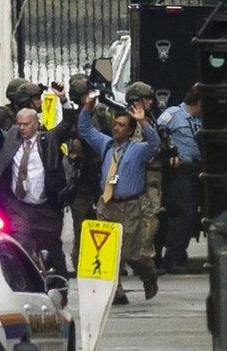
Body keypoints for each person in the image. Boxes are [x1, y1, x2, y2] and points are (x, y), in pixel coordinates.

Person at [78, 95, 160, 305]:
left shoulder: (138, 150)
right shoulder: (106, 145)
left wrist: (143, 121)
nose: (116, 128)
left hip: (129, 205)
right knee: (108, 249)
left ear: (130, 130)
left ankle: (148, 272)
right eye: (115, 124)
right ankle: (117, 291)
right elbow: (85, 130)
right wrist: (87, 108)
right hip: (107, 204)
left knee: (130, 253)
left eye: (122, 126)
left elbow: (155, 143)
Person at [0, 108, 75, 279]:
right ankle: (24, 283)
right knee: (20, 245)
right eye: (19, 124)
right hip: (20, 207)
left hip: (46, 208)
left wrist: (64, 101)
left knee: (53, 250)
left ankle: (61, 286)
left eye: (26, 124)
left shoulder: (47, 140)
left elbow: (66, 125)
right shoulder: (11, 139)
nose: (22, 128)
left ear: (36, 124)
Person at [65, 73, 111, 269]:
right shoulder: (72, 118)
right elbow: (63, 142)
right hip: (82, 176)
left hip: (101, 173)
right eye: (85, 95)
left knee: (106, 220)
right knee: (81, 222)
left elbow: (113, 138)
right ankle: (79, 261)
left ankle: (107, 261)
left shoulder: (101, 114)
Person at [157, 86, 202, 274]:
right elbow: (157, 132)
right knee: (182, 214)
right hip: (176, 172)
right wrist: (167, 157)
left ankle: (179, 254)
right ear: (199, 101)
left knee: (190, 215)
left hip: (195, 171)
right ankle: (172, 258)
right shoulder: (173, 114)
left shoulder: (198, 120)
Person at [125, 81, 164, 271]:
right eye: (146, 98)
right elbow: (140, 150)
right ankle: (142, 259)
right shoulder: (132, 122)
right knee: (148, 219)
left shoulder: (148, 118)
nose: (151, 102)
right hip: (143, 178)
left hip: (152, 177)